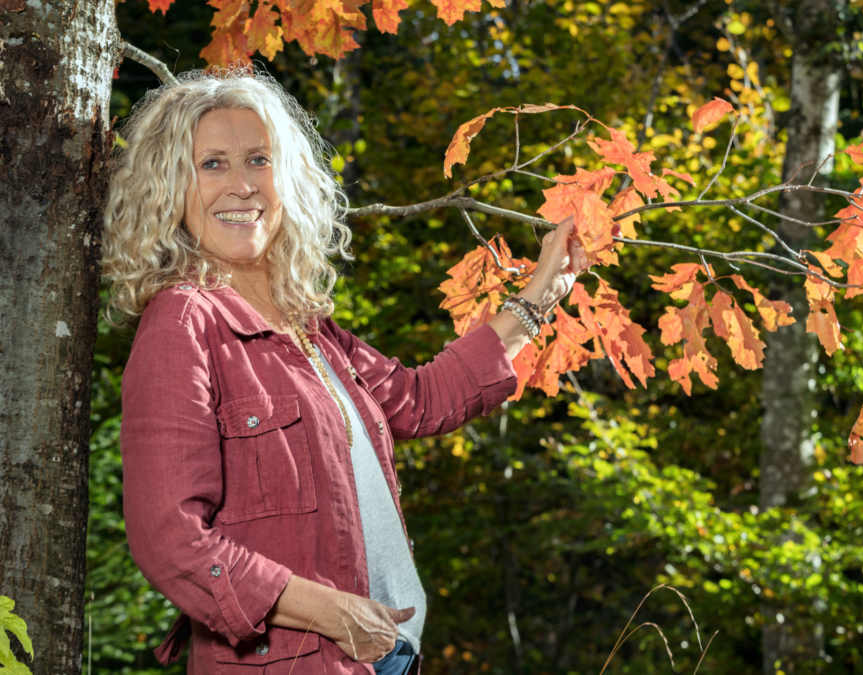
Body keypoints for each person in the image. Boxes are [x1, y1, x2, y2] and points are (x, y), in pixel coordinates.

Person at [102, 67, 588, 675]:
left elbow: (420, 399)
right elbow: (170, 540)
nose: (243, 186)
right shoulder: (184, 324)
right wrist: (335, 615)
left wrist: (542, 293)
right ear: (169, 188)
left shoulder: (307, 327)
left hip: (383, 657)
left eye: (258, 159)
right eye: (212, 165)